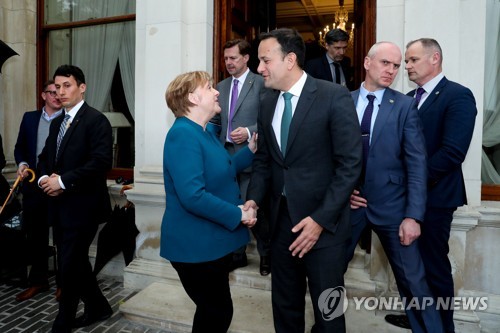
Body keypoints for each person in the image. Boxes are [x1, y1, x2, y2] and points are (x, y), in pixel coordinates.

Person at [245, 28, 362, 333]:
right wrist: (254, 199)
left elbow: (349, 165)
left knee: (329, 314)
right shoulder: (267, 101)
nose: (259, 68)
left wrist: (321, 220)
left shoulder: (332, 96)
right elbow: (264, 161)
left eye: (265, 60)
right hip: (280, 224)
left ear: (290, 60)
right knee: (285, 307)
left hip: (324, 227)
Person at [345, 41, 444, 332]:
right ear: (367, 63)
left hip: (393, 208)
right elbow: (328, 155)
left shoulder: (403, 105)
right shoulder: (342, 101)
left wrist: (413, 216)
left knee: (415, 283)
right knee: (328, 273)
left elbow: (417, 164)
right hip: (348, 207)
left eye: (396, 65)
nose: (391, 70)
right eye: (385, 63)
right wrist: (341, 190)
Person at [385, 38, 477, 333]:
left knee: (433, 268)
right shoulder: (409, 98)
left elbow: (451, 153)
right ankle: (419, 320)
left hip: (435, 199)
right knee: (411, 268)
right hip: (405, 198)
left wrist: (411, 183)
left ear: (434, 58)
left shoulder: (458, 96)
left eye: (412, 60)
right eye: (406, 61)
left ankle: (443, 326)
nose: (407, 66)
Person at [160, 71, 257, 333]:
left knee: (214, 311)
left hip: (210, 244)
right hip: (195, 247)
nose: (217, 92)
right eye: (209, 87)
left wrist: (249, 152)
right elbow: (192, 196)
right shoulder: (182, 134)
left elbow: (223, 168)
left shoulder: (202, 132)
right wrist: (238, 214)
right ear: (192, 97)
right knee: (217, 312)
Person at [37, 65, 113, 333]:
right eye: (57, 87)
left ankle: (64, 320)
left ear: (82, 87)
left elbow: (101, 162)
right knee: (76, 262)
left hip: (85, 207)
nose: (60, 91)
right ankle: (99, 306)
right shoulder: (57, 121)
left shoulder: (96, 120)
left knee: (69, 265)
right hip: (59, 206)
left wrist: (63, 181)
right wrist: (44, 179)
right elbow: (45, 158)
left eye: (66, 85)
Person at [211, 38, 270, 275]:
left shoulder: (262, 83)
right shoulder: (221, 87)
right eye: (226, 58)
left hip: (252, 157)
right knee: (231, 207)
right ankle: (238, 254)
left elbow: (270, 120)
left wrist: (247, 132)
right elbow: (215, 121)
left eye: (233, 58)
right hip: (226, 159)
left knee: (255, 208)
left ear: (246, 58)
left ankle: (267, 256)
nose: (228, 62)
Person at [14, 80, 62, 302]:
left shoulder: (68, 119)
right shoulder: (30, 118)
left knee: (62, 237)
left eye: (58, 92)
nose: (56, 96)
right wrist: (22, 164)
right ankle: (38, 281)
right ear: (43, 95)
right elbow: (20, 147)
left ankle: (64, 285)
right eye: (51, 92)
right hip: (33, 187)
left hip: (59, 187)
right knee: (35, 236)